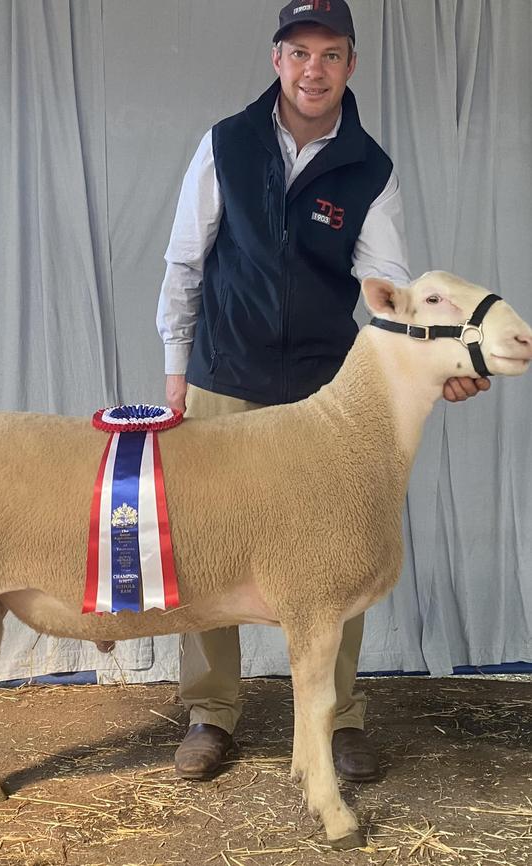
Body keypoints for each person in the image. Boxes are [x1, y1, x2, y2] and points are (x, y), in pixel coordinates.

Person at [156, 0, 489, 784]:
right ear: (277, 59)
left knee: (338, 556)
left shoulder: (370, 167)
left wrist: (437, 362)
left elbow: (393, 289)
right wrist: (176, 378)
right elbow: (184, 264)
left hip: (323, 393)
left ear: (351, 65)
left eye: (331, 53)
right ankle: (212, 712)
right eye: (299, 52)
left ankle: (338, 718)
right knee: (205, 545)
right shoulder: (226, 145)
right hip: (222, 376)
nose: (314, 69)